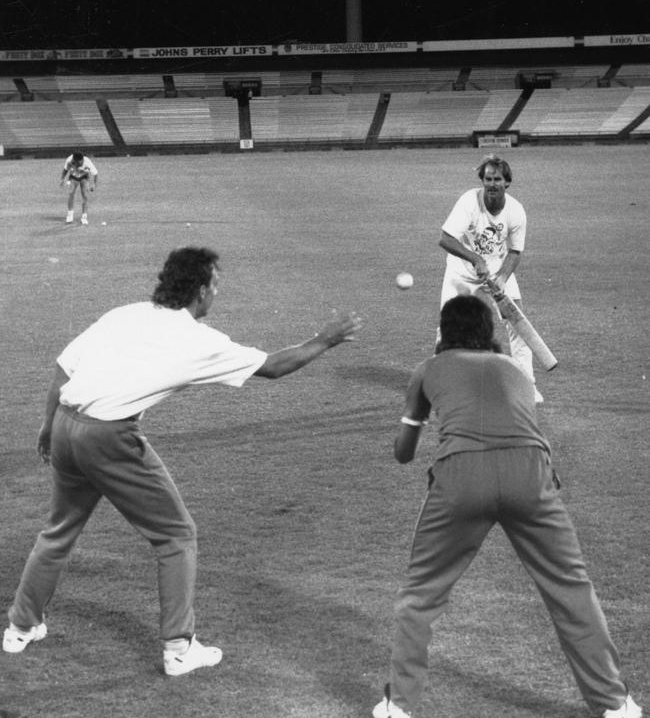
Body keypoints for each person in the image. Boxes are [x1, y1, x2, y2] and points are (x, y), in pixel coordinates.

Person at [3, 247, 362, 676]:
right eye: (215, 285)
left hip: (65, 424)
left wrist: (48, 428)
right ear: (201, 291)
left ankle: (20, 628)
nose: (216, 293)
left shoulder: (125, 313)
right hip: (109, 437)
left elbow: (64, 370)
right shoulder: (197, 339)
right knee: (176, 535)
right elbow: (274, 366)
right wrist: (326, 339)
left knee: (59, 529)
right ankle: (179, 649)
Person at [373, 295, 642, 718]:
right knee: (572, 590)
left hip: (461, 476)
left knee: (420, 595)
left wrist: (414, 419)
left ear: (443, 333)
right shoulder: (515, 369)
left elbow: (403, 454)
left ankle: (399, 708)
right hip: (531, 473)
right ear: (490, 333)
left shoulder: (429, 368)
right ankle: (616, 705)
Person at [438, 153, 543, 403]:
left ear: (507, 182)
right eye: (487, 179)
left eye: (497, 179)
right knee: (448, 325)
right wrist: (476, 259)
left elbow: (516, 251)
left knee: (518, 324)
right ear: (482, 180)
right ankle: (440, 382)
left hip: (497, 268)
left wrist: (503, 277)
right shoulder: (469, 201)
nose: (492, 184)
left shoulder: (516, 211)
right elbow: (446, 238)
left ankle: (526, 385)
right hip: (461, 270)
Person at [60, 150, 98, 225]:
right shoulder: (69, 160)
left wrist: (94, 184)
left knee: (85, 196)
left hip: (84, 177)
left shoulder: (87, 162)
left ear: (82, 160)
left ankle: (84, 217)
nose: (76, 163)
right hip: (73, 177)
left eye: (78, 162)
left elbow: (96, 174)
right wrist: (62, 179)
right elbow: (65, 170)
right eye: (75, 162)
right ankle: (70, 215)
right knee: (71, 193)